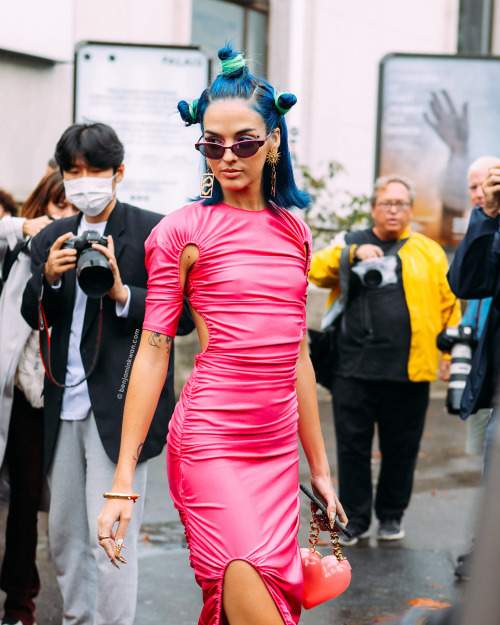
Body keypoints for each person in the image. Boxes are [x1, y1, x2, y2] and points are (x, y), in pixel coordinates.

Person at [98, 45, 346, 625]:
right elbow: (155, 355)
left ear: (276, 140)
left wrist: (321, 469)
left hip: (278, 447)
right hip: (212, 443)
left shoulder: (295, 231)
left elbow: (300, 360)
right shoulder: (180, 231)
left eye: (246, 141)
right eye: (212, 143)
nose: (228, 156)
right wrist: (122, 481)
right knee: (248, 591)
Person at [21, 122, 193, 625]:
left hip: (121, 407)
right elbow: (34, 316)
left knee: (111, 537)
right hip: (63, 402)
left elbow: (181, 319)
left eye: (95, 169)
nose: (84, 180)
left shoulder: (153, 232)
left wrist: (122, 293)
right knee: (66, 537)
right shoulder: (52, 236)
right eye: (73, 171)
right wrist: (48, 279)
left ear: (119, 172)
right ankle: (78, 620)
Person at [309, 175, 460, 545]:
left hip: (409, 371)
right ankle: (356, 519)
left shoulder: (428, 250)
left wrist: (449, 354)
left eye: (401, 204)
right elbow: (314, 270)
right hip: (352, 370)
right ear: (374, 208)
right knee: (352, 449)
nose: (394, 210)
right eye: (387, 203)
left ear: (410, 210)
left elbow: (449, 304)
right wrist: (350, 254)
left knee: (401, 450)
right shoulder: (351, 242)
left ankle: (391, 516)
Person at [0, 172, 77, 625]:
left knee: (27, 504)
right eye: (55, 206)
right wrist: (20, 228)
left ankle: (20, 604)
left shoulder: (85, 257)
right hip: (5, 390)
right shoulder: (16, 248)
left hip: (40, 402)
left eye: (71, 209)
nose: (62, 218)